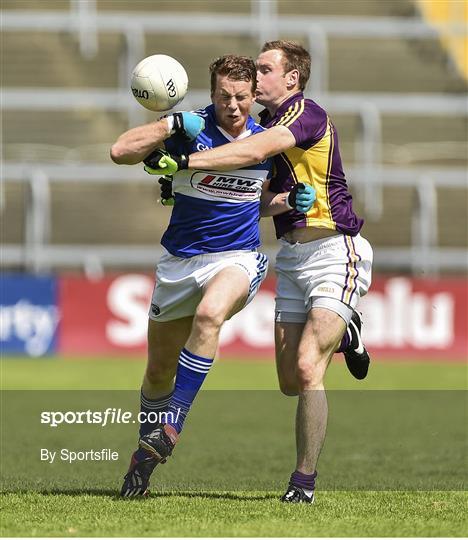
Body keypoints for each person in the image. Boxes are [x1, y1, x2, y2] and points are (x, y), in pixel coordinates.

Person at [145, 41, 373, 504]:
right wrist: (189, 185)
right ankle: (345, 333)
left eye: (266, 69)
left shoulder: (304, 115)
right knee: (291, 382)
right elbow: (256, 192)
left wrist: (185, 162)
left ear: (291, 79)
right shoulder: (260, 124)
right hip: (291, 259)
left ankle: (302, 483)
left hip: (335, 249)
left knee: (310, 366)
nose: (257, 76)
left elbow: (253, 153)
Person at [110, 54, 316, 498]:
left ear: (252, 95)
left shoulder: (265, 142)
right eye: (225, 96)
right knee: (158, 371)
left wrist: (286, 202)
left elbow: (255, 201)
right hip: (179, 262)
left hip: (237, 258)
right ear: (212, 94)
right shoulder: (191, 128)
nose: (235, 105)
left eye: (242, 97)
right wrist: (168, 127)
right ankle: (142, 461)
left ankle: (172, 427)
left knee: (210, 316)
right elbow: (119, 151)